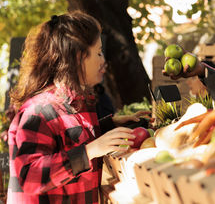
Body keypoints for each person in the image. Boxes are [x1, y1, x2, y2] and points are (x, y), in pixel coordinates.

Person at [7, 11, 149, 203]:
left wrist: (110, 125)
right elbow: (30, 176)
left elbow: (68, 138)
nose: (103, 61)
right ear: (78, 57)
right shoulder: (38, 111)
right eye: (98, 53)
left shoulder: (79, 101)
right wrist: (89, 151)